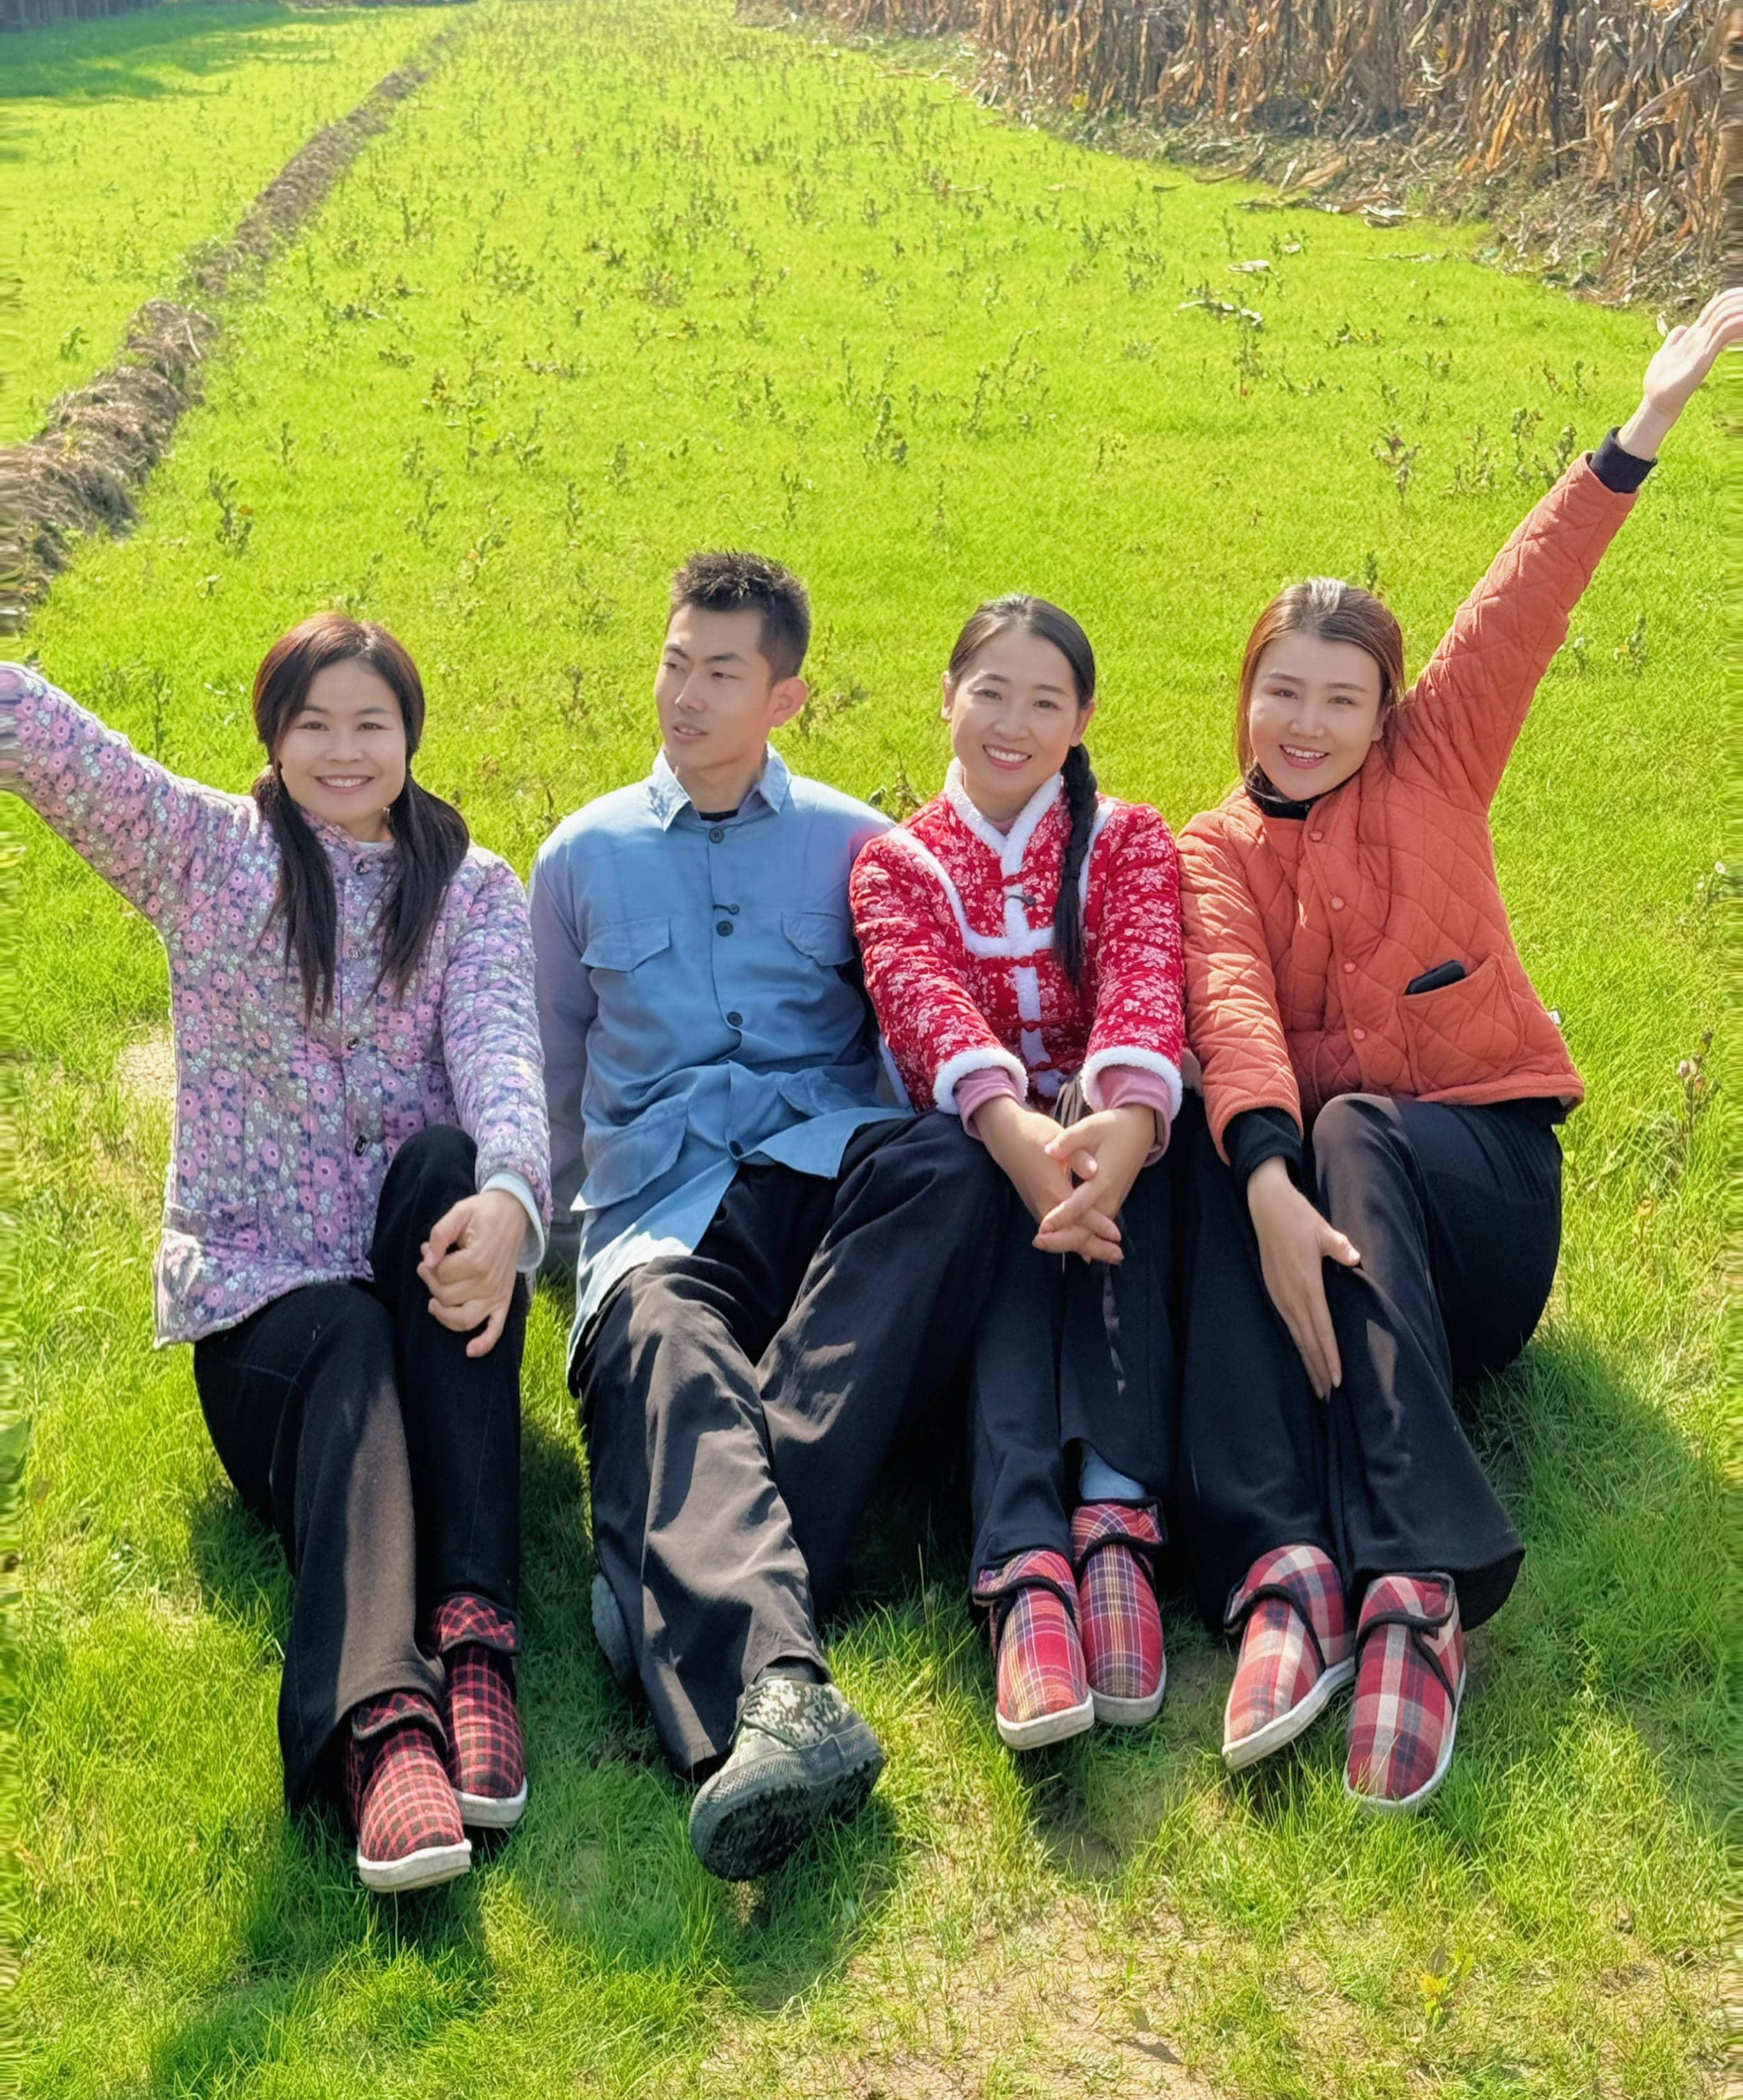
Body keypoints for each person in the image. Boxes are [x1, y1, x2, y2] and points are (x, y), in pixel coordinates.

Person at [1175, 288, 1739, 1810]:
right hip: (1339, 1261)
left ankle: (1418, 1588)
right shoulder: (1208, 852)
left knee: (1353, 1120)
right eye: (1280, 693)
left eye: (1339, 699)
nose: (1305, 724)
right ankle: (1296, 1578)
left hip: (1480, 1216)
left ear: (1384, 713)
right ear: (1244, 697)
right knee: (1242, 1145)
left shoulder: (1437, 763)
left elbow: (1523, 596)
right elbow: (1228, 1005)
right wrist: (1261, 1177)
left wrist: (1645, 423)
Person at [3, 620, 551, 1892]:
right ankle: (384, 1725)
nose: (343, 751)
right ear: (273, 735)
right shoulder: (209, 856)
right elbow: (59, 751)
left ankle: (475, 1643)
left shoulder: (470, 888)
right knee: (342, 1324)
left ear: (411, 735)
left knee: (452, 1164)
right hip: (279, 1338)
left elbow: (502, 1050)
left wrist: (514, 1197)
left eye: (371, 724)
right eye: (314, 724)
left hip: (424, 1319)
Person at [530, 549, 1008, 1881]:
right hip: (664, 1206)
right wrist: (550, 1247)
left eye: (722, 673)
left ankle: (668, 1567)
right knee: (663, 1338)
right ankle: (783, 1694)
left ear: (784, 697)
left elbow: (914, 1036)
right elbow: (550, 1074)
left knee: (952, 1165)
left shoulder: (859, 846)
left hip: (823, 1168)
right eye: (674, 662)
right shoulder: (578, 859)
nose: (684, 695)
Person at [850, 596, 1185, 1750]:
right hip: (976, 1148)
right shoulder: (894, 864)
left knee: (1126, 1146)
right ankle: (1024, 1562)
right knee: (986, 1179)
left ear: (1082, 719)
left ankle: (1114, 1522)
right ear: (946, 697)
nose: (1012, 723)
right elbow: (924, 1007)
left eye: (1045, 702)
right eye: (989, 692)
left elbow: (1145, 981)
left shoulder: (1127, 838)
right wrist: (1013, 1136)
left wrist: (1117, 1132)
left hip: (1108, 1144)